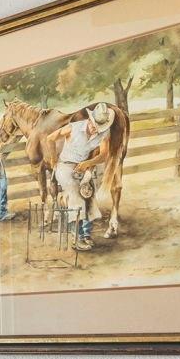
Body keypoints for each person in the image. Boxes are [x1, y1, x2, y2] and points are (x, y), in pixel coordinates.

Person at [53, 102, 116, 250]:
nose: (95, 130)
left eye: (99, 127)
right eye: (93, 125)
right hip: (65, 166)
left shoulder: (103, 133)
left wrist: (88, 163)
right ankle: (76, 238)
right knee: (76, 196)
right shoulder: (73, 128)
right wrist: (52, 159)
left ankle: (86, 234)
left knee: (88, 193)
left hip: (83, 167)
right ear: (89, 120)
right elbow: (51, 138)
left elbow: (104, 155)